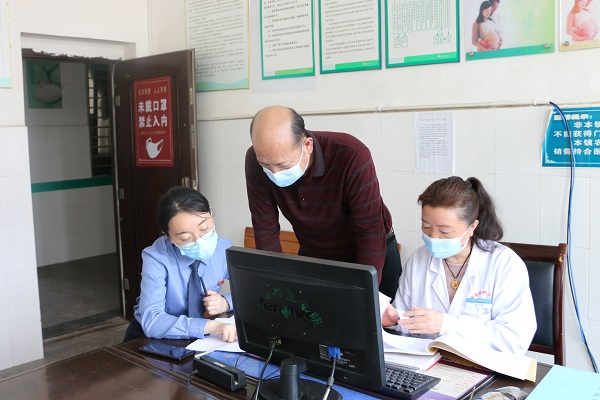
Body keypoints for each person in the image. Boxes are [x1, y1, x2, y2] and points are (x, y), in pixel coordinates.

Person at [245, 105, 402, 298]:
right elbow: (265, 230)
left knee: (373, 312)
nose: (274, 173)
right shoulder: (255, 160)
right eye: (266, 165)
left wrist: (364, 295)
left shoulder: (351, 154)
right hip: (314, 252)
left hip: (370, 250)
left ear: (307, 145)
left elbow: (369, 231)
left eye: (283, 165)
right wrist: (275, 286)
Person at [382, 176, 536, 355]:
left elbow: (514, 340)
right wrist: (396, 321)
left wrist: (447, 324)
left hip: (484, 364)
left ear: (472, 227)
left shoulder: (504, 263)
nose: (434, 237)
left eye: (445, 231)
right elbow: (406, 327)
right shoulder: (418, 259)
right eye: (426, 227)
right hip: (429, 362)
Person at [123, 186, 236, 342]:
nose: (200, 241)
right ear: (168, 236)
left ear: (210, 212)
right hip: (153, 336)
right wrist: (211, 326)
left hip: (201, 336)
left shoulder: (223, 249)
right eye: (185, 238)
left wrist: (226, 303)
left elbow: (254, 292)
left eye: (204, 229)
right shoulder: (156, 258)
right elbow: (152, 320)